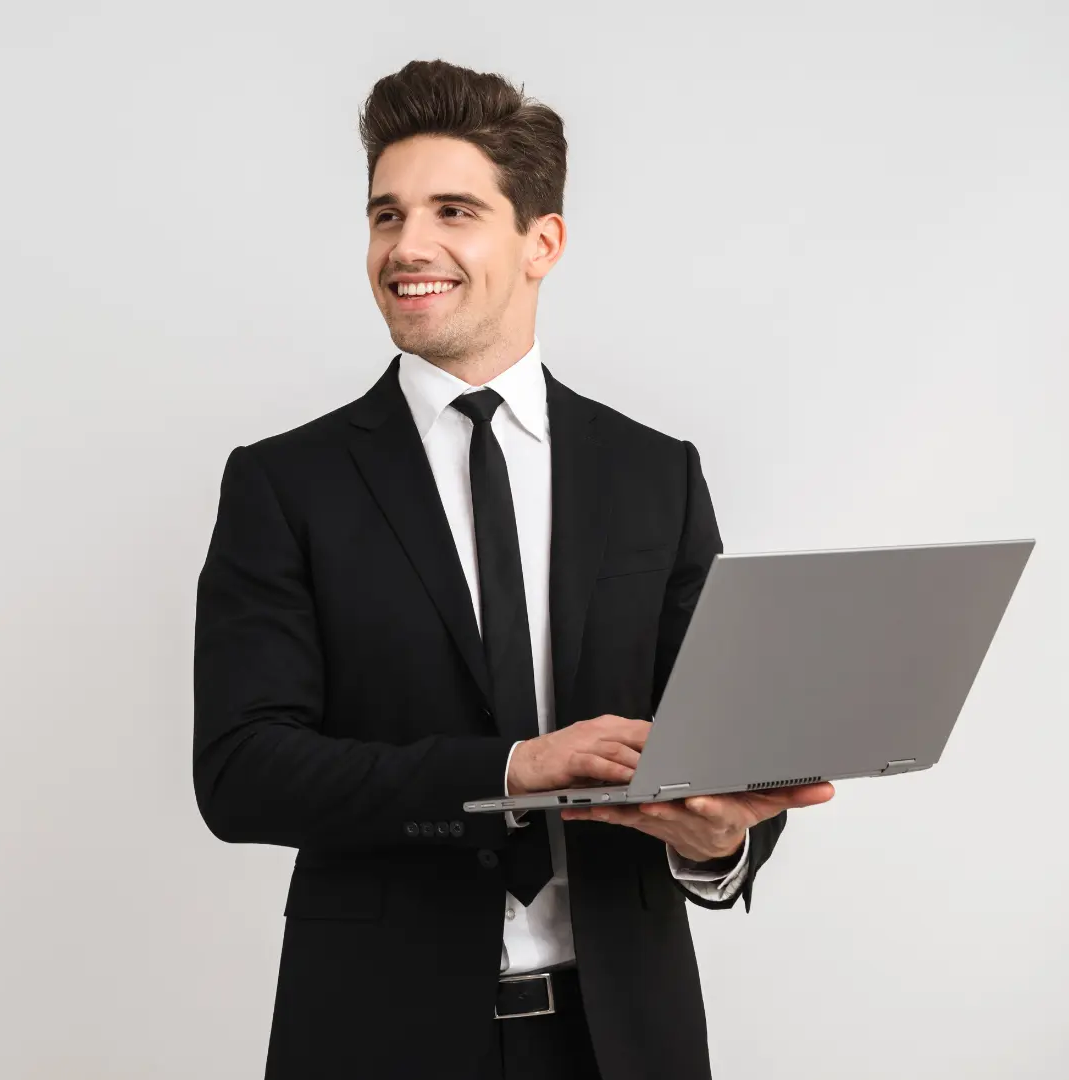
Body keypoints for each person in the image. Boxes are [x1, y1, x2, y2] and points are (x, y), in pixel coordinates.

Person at [192, 58, 835, 1080]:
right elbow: (241, 774)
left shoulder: (654, 476)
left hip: (625, 1039)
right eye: (385, 214)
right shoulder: (285, 484)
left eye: (453, 210)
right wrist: (506, 770)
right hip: (373, 1036)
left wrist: (714, 845)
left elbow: (705, 745)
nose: (408, 246)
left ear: (543, 242)